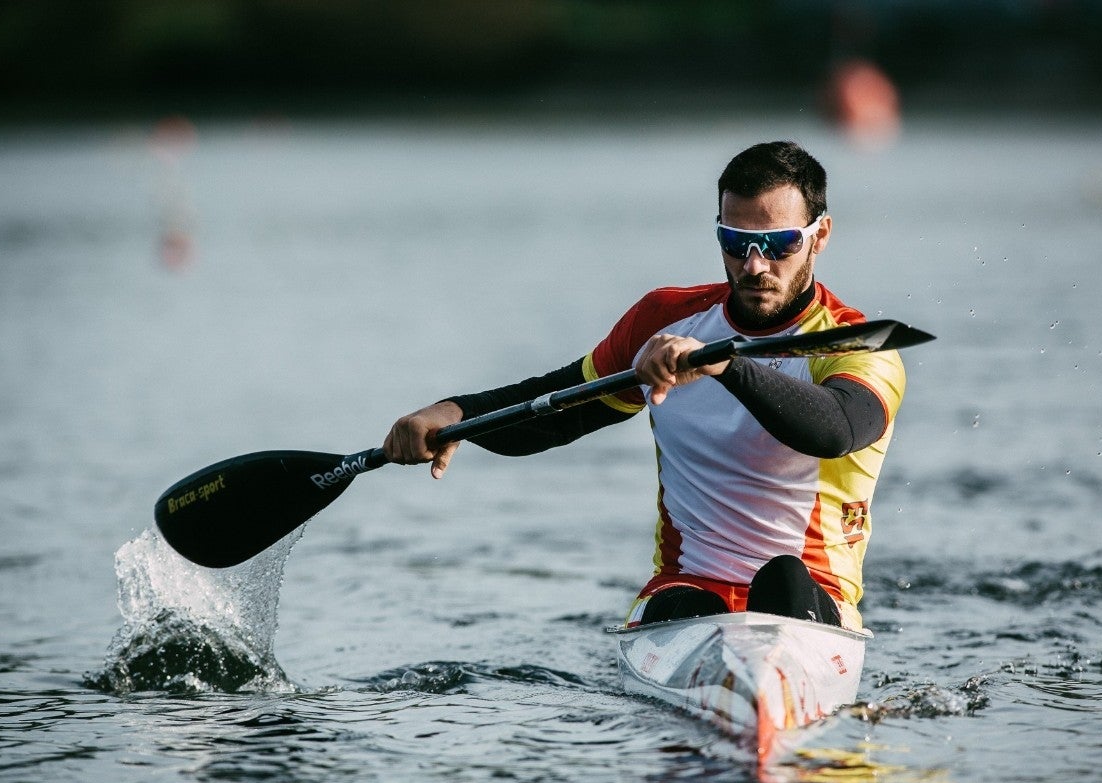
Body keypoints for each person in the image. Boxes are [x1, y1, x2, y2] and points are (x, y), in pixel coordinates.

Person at [382, 141, 906, 631]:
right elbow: (560, 409)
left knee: (783, 579)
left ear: (821, 235)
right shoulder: (663, 321)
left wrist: (722, 364)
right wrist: (453, 416)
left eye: (778, 244)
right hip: (687, 592)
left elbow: (834, 430)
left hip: (811, 600)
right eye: (736, 242)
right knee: (686, 604)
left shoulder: (858, 346)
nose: (754, 265)